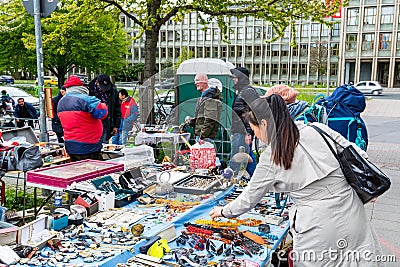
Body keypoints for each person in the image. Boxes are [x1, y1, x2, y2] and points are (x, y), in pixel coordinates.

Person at [210, 94, 383, 266]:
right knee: (359, 259)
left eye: (253, 128)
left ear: (263, 124)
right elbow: (358, 155)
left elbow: (249, 198)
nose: (255, 134)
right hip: (351, 208)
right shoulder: (318, 129)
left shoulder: (272, 155)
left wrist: (224, 211)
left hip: (317, 223)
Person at [58, 75, 108, 162]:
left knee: (78, 171)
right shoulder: (86, 99)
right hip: (89, 145)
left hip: (70, 145)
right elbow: (103, 113)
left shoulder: (61, 102)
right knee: (94, 172)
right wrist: (104, 105)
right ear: (82, 87)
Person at [229, 67, 259, 177]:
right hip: (239, 132)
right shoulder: (242, 91)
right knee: (247, 157)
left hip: (243, 132)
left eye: (235, 77)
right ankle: (257, 179)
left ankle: (231, 179)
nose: (233, 80)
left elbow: (250, 113)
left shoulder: (248, 92)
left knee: (238, 159)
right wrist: (233, 132)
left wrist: (248, 133)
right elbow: (237, 114)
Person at [88, 74, 121, 144]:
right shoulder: (89, 91)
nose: (104, 90)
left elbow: (117, 109)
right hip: (93, 122)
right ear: (97, 83)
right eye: (102, 87)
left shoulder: (113, 91)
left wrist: (116, 125)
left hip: (106, 122)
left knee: (104, 144)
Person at [193, 73, 222, 143]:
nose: (195, 83)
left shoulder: (210, 97)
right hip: (202, 136)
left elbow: (210, 119)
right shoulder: (205, 96)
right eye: (195, 81)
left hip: (205, 138)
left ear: (205, 81)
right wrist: (192, 121)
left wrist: (202, 136)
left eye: (197, 80)